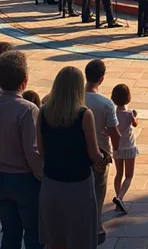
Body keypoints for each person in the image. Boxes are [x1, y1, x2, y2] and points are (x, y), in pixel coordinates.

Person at [37, 66, 102, 249]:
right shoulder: (84, 114)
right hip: (78, 185)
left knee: (55, 239)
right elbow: (94, 154)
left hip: (51, 182)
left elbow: (41, 151)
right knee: (80, 238)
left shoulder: (43, 112)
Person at [0, 50, 43, 249]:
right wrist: (43, 176)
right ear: (24, 80)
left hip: (1, 177)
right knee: (34, 236)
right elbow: (32, 151)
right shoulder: (27, 109)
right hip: (24, 180)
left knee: (9, 234)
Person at [85, 58, 121, 245]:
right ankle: (96, 227)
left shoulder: (76, 97)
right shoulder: (106, 103)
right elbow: (114, 133)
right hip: (100, 153)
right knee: (98, 192)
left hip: (79, 152)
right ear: (102, 78)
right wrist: (115, 151)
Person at [111, 83, 139, 214]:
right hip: (129, 147)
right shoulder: (129, 114)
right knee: (129, 176)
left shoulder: (113, 114)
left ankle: (118, 196)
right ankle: (120, 197)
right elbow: (135, 124)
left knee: (118, 174)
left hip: (117, 148)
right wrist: (135, 115)